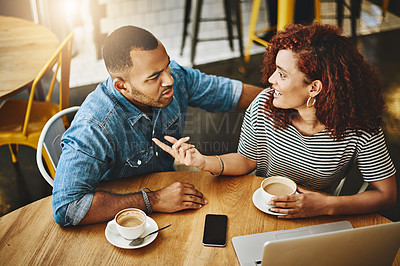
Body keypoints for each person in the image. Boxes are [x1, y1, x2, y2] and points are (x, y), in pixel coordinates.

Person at [154, 23, 397, 219]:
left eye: (282, 74)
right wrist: (203, 161)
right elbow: (247, 160)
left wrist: (326, 205)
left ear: (314, 87)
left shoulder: (361, 127)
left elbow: (386, 195)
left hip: (319, 215)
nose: (271, 79)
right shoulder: (264, 104)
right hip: (263, 206)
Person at [52, 25, 262, 226]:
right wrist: (153, 200)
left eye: (167, 66)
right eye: (154, 77)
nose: (169, 80)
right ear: (121, 86)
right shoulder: (93, 128)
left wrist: (279, 100)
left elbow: (230, 94)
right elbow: (67, 208)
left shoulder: (175, 77)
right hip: (120, 219)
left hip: (170, 188)